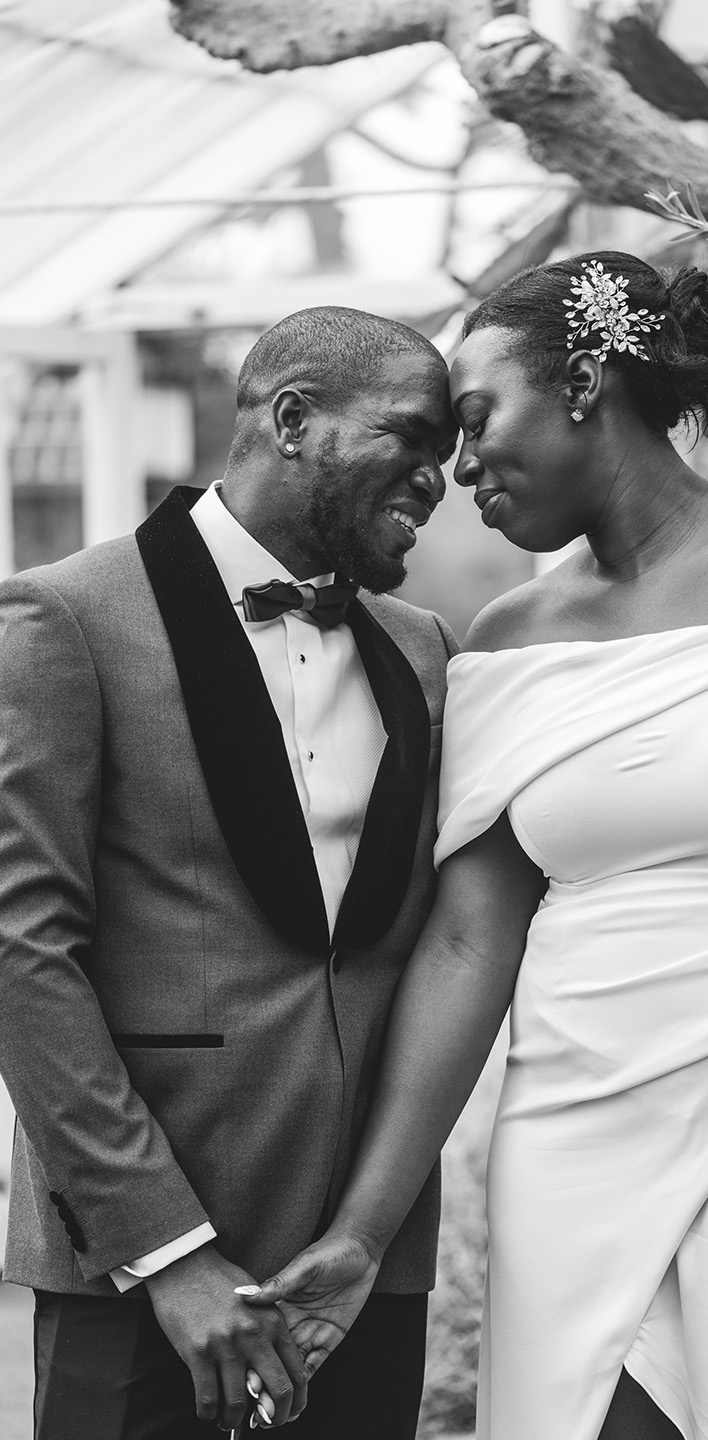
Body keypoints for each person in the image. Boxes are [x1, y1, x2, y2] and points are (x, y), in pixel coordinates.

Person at [240, 256, 708, 1440]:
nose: (455, 469)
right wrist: (362, 1232)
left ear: (581, 382)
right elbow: (471, 943)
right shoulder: (503, 643)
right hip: (586, 1130)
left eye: (474, 422)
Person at [0, 306, 460, 1439]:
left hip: (360, 1271)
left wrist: (371, 1229)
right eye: (411, 436)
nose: (438, 478)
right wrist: (168, 1254)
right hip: (150, 1263)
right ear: (294, 420)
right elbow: (22, 951)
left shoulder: (423, 649)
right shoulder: (65, 615)